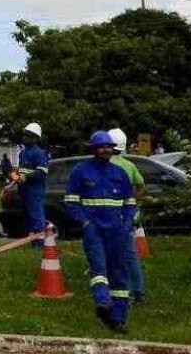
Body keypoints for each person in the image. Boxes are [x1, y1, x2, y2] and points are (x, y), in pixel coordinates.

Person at [65, 131, 138, 333]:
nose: (107, 150)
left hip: (117, 230)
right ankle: (103, 303)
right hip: (94, 229)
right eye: (102, 146)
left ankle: (118, 319)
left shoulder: (119, 173)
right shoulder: (81, 171)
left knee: (120, 274)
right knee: (99, 268)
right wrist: (85, 222)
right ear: (94, 149)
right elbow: (71, 201)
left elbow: (130, 202)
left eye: (109, 146)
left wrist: (127, 223)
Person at [108, 128, 146, 302]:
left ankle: (124, 292)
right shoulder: (129, 165)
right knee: (130, 254)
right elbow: (142, 187)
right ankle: (137, 291)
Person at [10, 122, 49, 244]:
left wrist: (25, 178)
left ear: (35, 138)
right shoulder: (23, 153)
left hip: (35, 191)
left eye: (28, 135)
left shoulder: (39, 153)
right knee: (28, 218)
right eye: (25, 134)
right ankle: (33, 242)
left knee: (36, 217)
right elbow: (22, 171)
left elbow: (41, 173)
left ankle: (40, 244)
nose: (24, 137)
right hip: (24, 191)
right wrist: (14, 175)